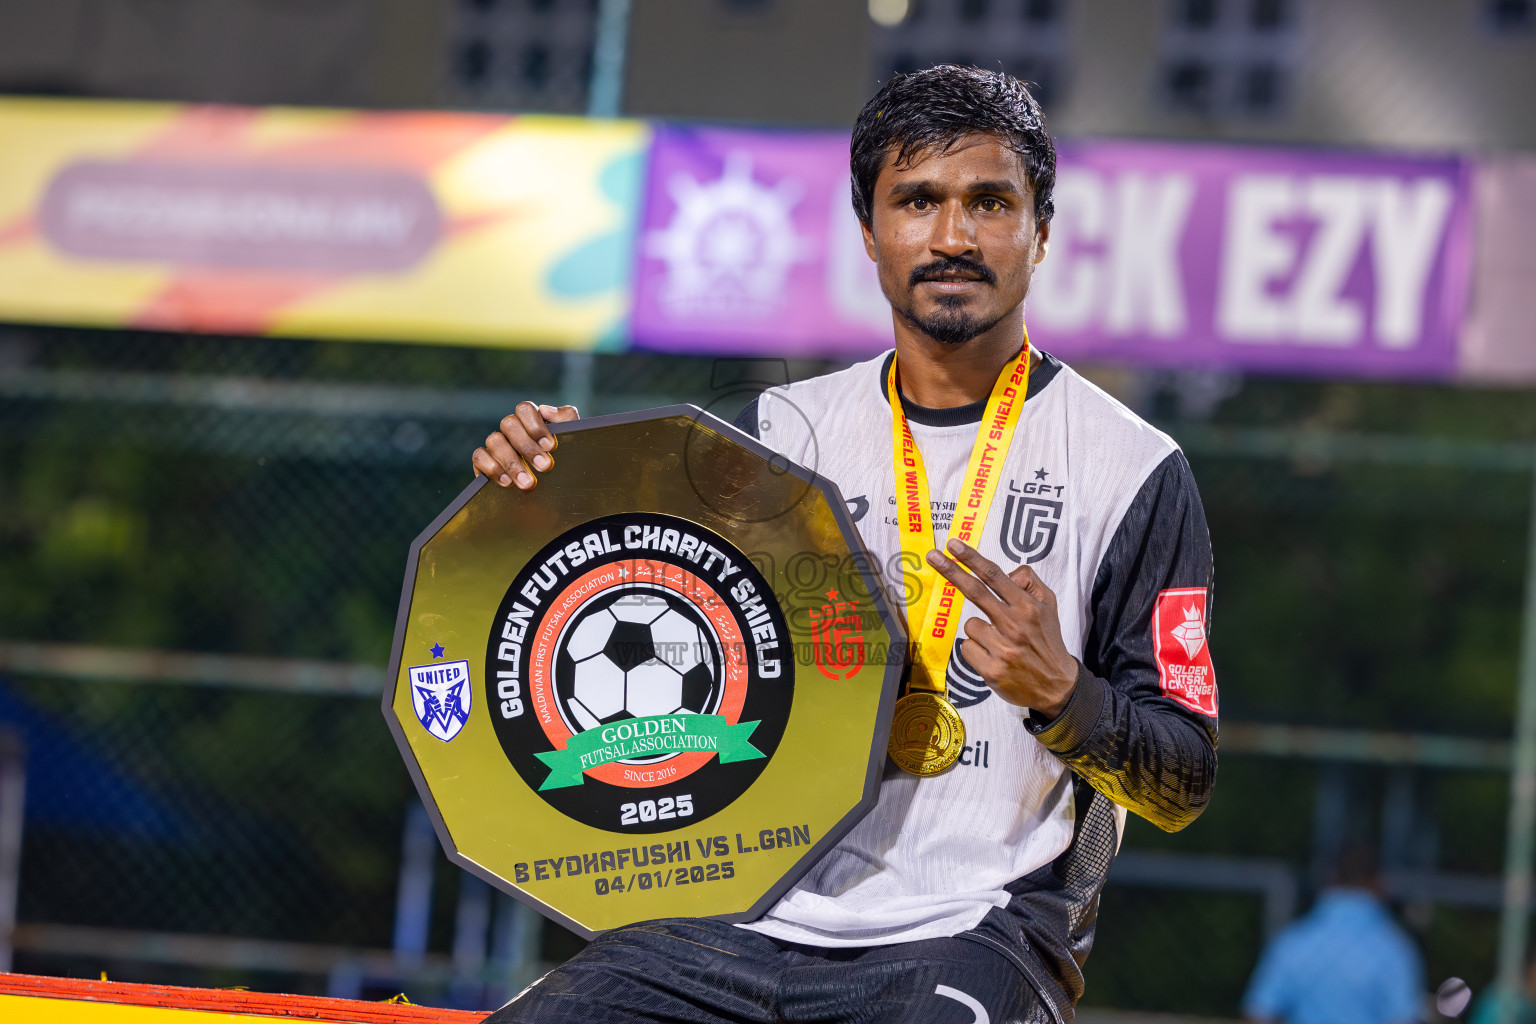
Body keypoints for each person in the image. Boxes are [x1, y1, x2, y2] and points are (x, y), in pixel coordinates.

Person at [472, 65, 1219, 1024]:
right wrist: (538, 496)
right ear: (869, 231)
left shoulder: (1135, 469)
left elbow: (1183, 780)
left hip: (972, 929)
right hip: (737, 913)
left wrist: (1061, 693)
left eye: (990, 201)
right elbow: (621, 603)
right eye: (918, 201)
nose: (953, 236)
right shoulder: (778, 434)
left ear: (1041, 229)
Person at [1242, 846, 1423, 1024]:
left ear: (1332, 878)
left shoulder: (1293, 941)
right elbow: (1404, 1017)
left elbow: (1259, 1012)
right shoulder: (1395, 949)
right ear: (1380, 882)